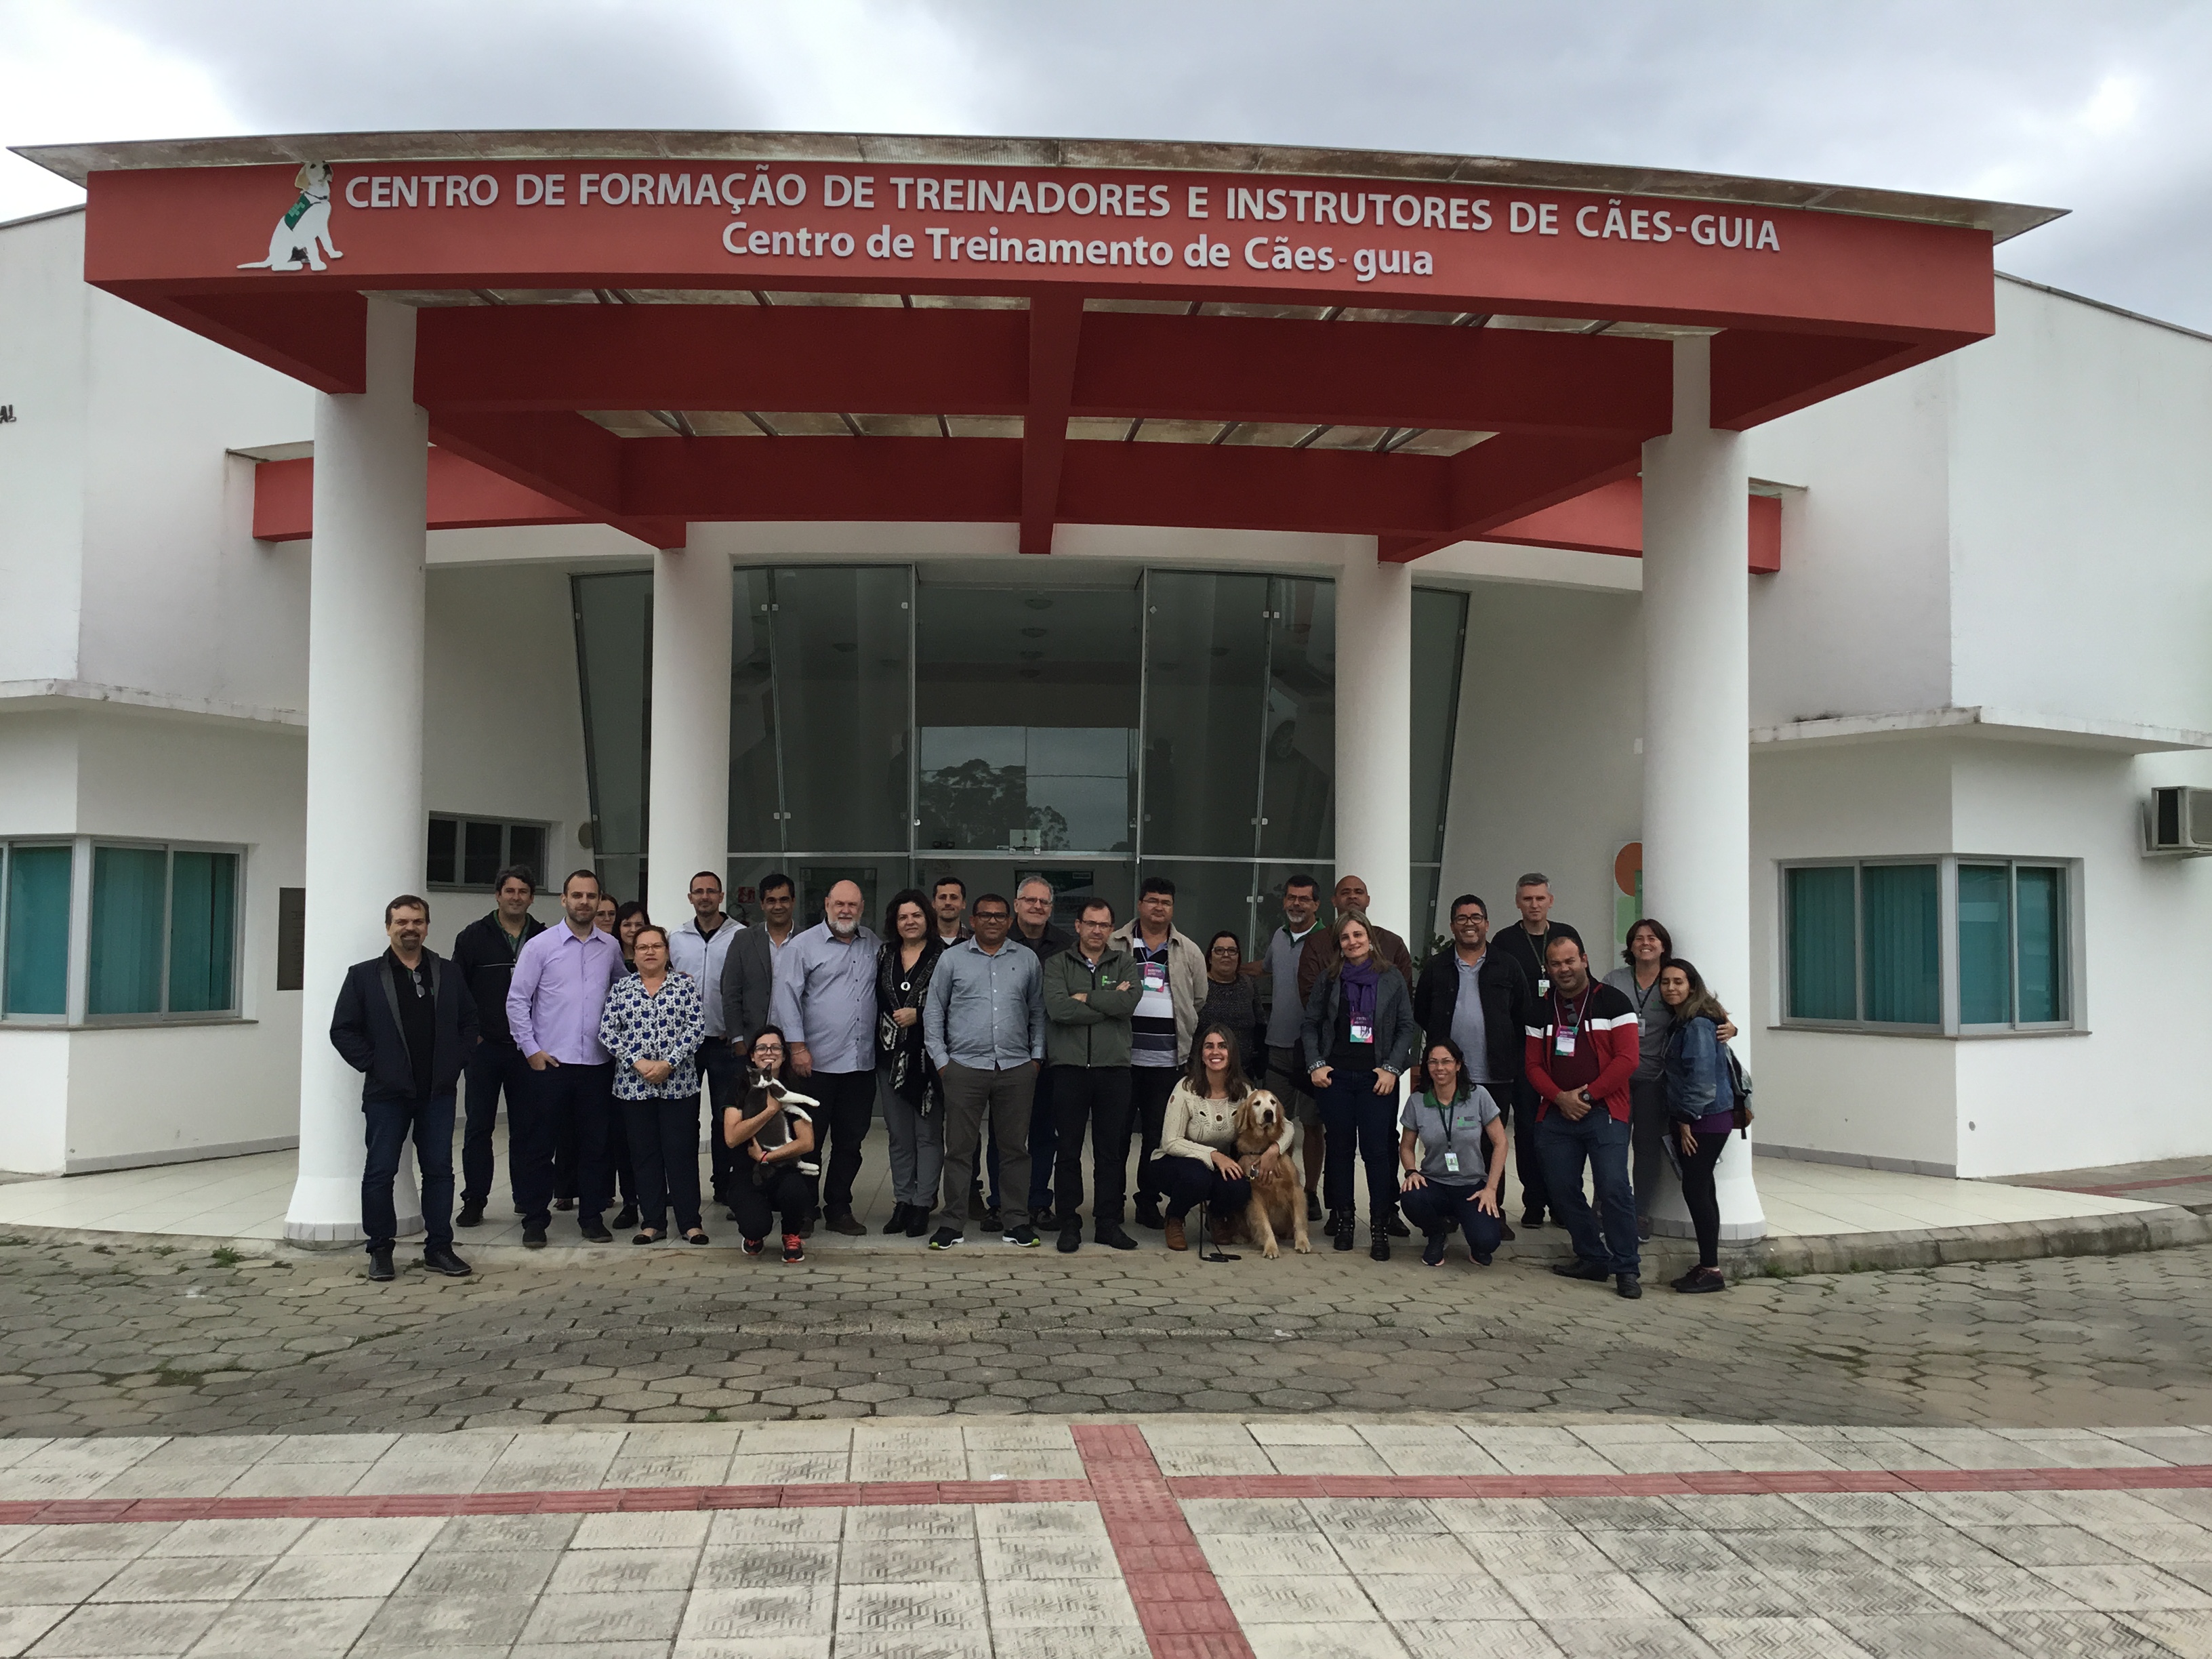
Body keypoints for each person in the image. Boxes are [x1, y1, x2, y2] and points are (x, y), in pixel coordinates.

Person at [329, 895, 477, 1282]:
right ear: (388, 927)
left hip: (437, 1093)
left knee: (440, 1172)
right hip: (387, 1095)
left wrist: (455, 1062)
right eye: (402, 922)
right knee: (380, 1173)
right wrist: (376, 1065)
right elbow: (342, 1030)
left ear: (427, 927)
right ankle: (380, 1251)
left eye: (417, 922)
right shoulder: (363, 976)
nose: (410, 928)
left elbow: (470, 1022)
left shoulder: (448, 973)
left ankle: (439, 1248)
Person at [507, 869, 627, 1248]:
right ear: (564, 900)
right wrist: (531, 1051)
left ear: (599, 900)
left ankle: (591, 1217)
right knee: (540, 1145)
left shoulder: (610, 947)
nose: (584, 902)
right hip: (550, 1065)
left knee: (595, 1146)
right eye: (577, 895)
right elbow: (517, 1001)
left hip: (597, 1065)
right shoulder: (540, 946)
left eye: (591, 896)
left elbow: (624, 990)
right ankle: (534, 1220)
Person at [924, 893, 1046, 1249]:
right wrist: (942, 1061)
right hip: (964, 1068)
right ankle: (952, 1223)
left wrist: (1036, 1058)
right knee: (959, 1150)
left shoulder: (1026, 959)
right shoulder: (952, 959)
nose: (993, 921)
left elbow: (1038, 1011)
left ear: (1009, 921)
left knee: (1015, 1150)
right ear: (973, 921)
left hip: (1016, 1067)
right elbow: (934, 1011)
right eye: (985, 915)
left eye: (1000, 916)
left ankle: (1016, 1222)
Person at [1526, 934, 1643, 1298]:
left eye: (1570, 961)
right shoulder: (1540, 1008)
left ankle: (1627, 1268)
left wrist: (1588, 1095)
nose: (1564, 969)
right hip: (1557, 1111)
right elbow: (1532, 1065)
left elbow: (1628, 1059)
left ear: (1584, 960)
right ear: (1548, 968)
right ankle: (1592, 1257)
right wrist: (1561, 1099)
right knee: (1561, 1189)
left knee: (1613, 1187)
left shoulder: (1613, 1001)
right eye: (1556, 963)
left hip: (1605, 1109)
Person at [1410, 895, 1526, 1243]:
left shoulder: (1507, 965)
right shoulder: (1437, 967)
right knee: (1447, 1138)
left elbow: (1521, 1012)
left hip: (1495, 1072)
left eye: (1476, 917)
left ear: (1487, 923)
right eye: (1462, 918)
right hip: (1447, 1075)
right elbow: (1422, 1012)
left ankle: (1493, 1208)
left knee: (1492, 1144)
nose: (1469, 924)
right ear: (1452, 926)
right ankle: (1448, 1209)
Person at [1301, 912, 1416, 1259]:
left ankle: (1379, 1225)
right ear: (1339, 944)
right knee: (1339, 1151)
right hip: (1336, 1078)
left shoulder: (1391, 977)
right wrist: (1316, 1064)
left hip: (1377, 1079)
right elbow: (1311, 1024)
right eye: (1345, 937)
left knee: (1377, 1152)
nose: (1352, 942)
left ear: (1369, 937)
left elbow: (1406, 1027)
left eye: (1358, 935)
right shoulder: (1329, 978)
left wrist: (1392, 1069)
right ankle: (1345, 1220)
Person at [768, 878, 880, 1236]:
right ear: (827, 904)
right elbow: (786, 999)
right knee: (808, 1141)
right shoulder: (802, 946)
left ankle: (839, 1208)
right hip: (814, 1064)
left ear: (861, 908)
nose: (846, 911)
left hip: (860, 1064)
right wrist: (797, 1049)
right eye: (839, 904)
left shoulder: (873, 944)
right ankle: (805, 1210)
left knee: (850, 1142)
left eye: (853, 905)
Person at [596, 923, 709, 1246]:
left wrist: (668, 1063)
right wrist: (639, 1062)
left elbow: (696, 1028)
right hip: (634, 1087)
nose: (650, 952)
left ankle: (690, 1223)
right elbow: (607, 1032)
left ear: (667, 951)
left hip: (679, 1086)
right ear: (633, 954)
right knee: (644, 1156)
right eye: (643, 947)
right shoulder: (621, 989)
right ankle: (653, 1223)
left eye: (656, 946)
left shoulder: (684, 986)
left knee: (681, 1154)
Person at [1041, 898, 1141, 1254]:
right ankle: (1069, 1222)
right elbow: (1058, 1009)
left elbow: (1128, 1005)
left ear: (1112, 929)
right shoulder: (1057, 964)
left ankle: (1107, 1223)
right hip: (1069, 1069)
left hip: (1113, 1069)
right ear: (1078, 926)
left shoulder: (1126, 963)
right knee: (1067, 1150)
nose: (1097, 930)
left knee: (1110, 1152)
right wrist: (1108, 1000)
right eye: (1091, 923)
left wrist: (1085, 998)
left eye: (1104, 924)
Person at [1486, 874, 1584, 1229]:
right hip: (1521, 1047)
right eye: (1527, 899)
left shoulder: (1567, 935)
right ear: (1518, 903)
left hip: (1563, 1047)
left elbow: (1581, 983)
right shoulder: (1505, 941)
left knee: (1564, 1127)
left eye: (1540, 898)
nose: (1534, 905)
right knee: (1527, 1128)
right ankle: (1534, 1201)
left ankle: (1564, 1201)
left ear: (1550, 901)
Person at [449, 866, 545, 1229]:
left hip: (528, 1049)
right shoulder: (473, 937)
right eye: (510, 891)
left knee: (527, 1128)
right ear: (498, 895)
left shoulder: (544, 937)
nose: (516, 897)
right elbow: (458, 991)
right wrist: (471, 1036)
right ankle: (475, 1200)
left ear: (532, 897)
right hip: (485, 1048)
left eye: (523, 891)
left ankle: (526, 1197)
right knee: (478, 1127)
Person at [1111, 876, 1204, 1230]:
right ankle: (1112, 1202)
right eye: (1152, 901)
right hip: (1121, 1059)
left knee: (1156, 1138)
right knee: (1116, 1136)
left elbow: (1198, 999)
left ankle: (1147, 1202)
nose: (1158, 908)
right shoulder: (1116, 943)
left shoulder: (1188, 950)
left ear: (1172, 908)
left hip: (1167, 1063)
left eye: (1165, 902)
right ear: (1140, 904)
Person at [1154, 1025, 1286, 1252]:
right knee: (1197, 1177)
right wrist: (1214, 1155)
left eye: (1222, 1046)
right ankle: (1174, 1218)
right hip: (1175, 1162)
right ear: (1201, 1055)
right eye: (1209, 1046)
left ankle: (1217, 1216)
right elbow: (1170, 1142)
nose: (1215, 1052)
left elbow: (1287, 1126)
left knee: (1240, 1186)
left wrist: (1274, 1150)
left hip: (1217, 1166)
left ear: (1231, 1053)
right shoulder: (1185, 1089)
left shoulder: (1244, 1091)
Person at [668, 872, 745, 1223]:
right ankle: (681, 1187)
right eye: (698, 892)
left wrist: (738, 1027)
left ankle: (724, 1185)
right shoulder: (676, 938)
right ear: (690, 897)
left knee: (725, 1117)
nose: (704, 897)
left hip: (724, 1042)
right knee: (683, 1119)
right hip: (685, 1044)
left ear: (721, 896)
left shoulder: (740, 936)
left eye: (710, 891)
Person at [1658, 958, 1737, 1294]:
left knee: (1696, 1189)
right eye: (1666, 982)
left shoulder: (1697, 1026)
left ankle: (1711, 1270)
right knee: (1704, 1188)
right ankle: (1708, 1266)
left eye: (1678, 982)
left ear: (1692, 986)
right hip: (1706, 1117)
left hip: (1704, 1119)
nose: (1671, 988)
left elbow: (1702, 1079)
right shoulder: (1688, 1020)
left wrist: (1687, 1119)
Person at [1252, 874, 1326, 1221]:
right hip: (1278, 1047)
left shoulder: (1328, 940)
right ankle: (1275, 1187)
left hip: (1314, 1051)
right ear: (1284, 901)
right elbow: (1265, 969)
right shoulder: (1279, 937)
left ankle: (1309, 1192)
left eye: (1304, 899)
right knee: (1272, 1125)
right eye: (1291, 897)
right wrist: (1225, 968)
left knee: (1312, 1125)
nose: (1297, 904)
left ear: (1316, 904)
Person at [1398, 1038, 1508, 1268]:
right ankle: (1436, 1234)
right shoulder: (1417, 1101)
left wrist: (1491, 1189)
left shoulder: (1479, 1096)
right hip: (1434, 1182)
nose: (1440, 1068)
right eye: (1433, 1062)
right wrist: (1411, 1172)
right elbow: (1406, 1146)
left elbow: (1501, 1143)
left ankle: (1472, 1231)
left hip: (1471, 1186)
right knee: (1410, 1196)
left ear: (1458, 1065)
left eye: (1446, 1061)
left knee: (1487, 1242)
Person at [1004, 876, 1074, 1227]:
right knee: (1006, 1135)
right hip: (1005, 1053)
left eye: (1044, 902)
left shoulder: (1066, 946)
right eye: (1030, 900)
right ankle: (1001, 1203)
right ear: (1017, 904)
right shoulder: (998, 939)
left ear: (1051, 908)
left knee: (1045, 1134)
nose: (1037, 906)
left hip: (1051, 1054)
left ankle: (1037, 1202)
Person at [875, 888, 945, 1240]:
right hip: (889, 1058)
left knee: (927, 1135)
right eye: (903, 917)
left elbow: (957, 1004)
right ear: (895, 922)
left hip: (929, 1059)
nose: (910, 922)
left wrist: (920, 1014)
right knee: (899, 1136)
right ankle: (902, 1200)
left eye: (916, 915)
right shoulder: (884, 954)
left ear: (927, 918)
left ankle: (923, 1203)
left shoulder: (945, 956)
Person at [723, 1025, 817, 1263]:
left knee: (795, 1190)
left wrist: (766, 1157)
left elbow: (807, 1143)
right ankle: (753, 1236)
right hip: (747, 1171)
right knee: (756, 1225)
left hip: (783, 1167)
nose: (769, 1052)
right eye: (762, 1048)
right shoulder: (739, 1086)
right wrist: (770, 1111)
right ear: (753, 1056)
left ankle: (791, 1234)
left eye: (776, 1048)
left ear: (784, 1056)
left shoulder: (794, 1086)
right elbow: (732, 1138)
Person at [1294, 872, 1416, 1005]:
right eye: (1345, 893)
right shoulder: (1316, 942)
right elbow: (1310, 996)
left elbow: (1404, 995)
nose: (1352, 896)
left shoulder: (1393, 942)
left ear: (1368, 900)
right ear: (1334, 901)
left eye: (1358, 892)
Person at [720, 871, 798, 1055]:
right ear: (762, 904)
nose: (778, 906)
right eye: (771, 901)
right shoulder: (743, 940)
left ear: (793, 902)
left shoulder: (808, 940)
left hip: (796, 1045)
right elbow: (730, 992)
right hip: (752, 1043)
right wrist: (737, 1039)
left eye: (784, 900)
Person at [1197, 930, 1265, 1080]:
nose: (1226, 955)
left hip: (1242, 1073)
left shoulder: (1248, 985)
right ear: (1210, 957)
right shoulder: (1198, 985)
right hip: (1203, 1074)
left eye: (1232, 951)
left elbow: (1260, 1026)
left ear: (1238, 957)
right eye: (1219, 950)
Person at [930, 874, 971, 948]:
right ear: (934, 904)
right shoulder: (923, 940)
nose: (948, 903)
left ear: (963, 904)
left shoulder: (975, 941)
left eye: (954, 898)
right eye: (942, 897)